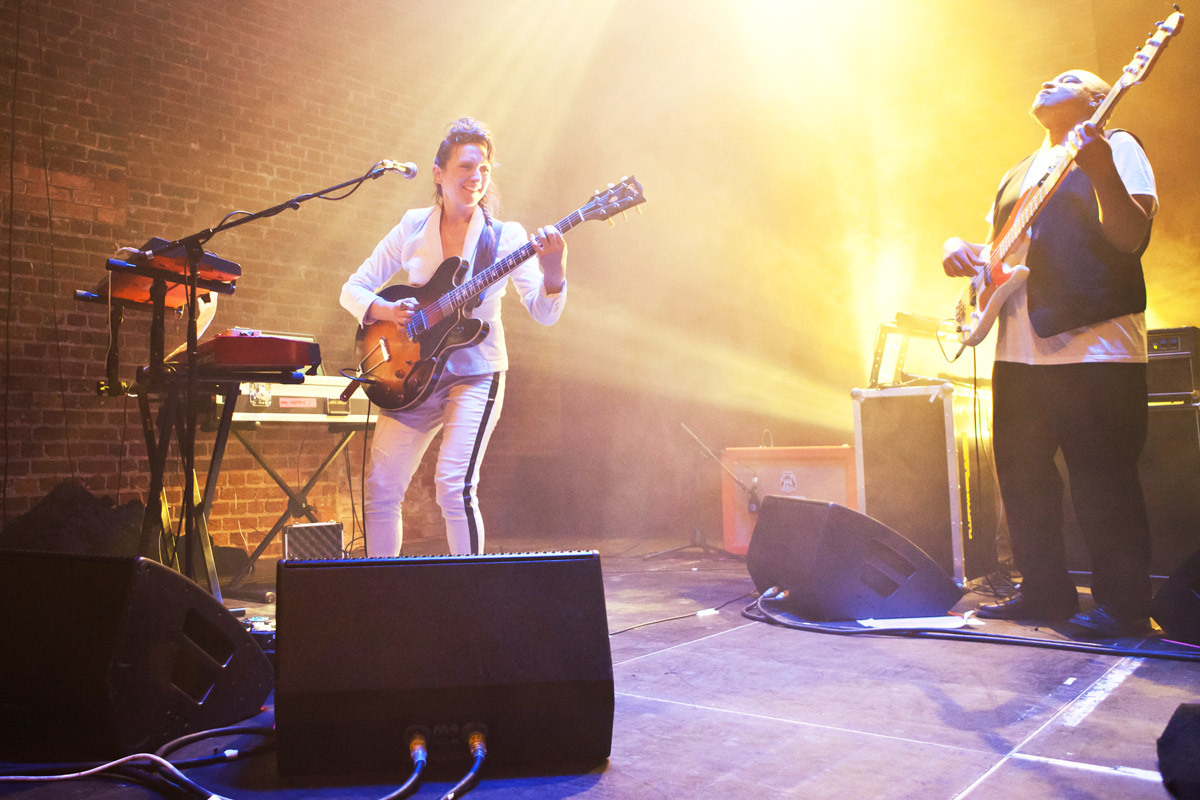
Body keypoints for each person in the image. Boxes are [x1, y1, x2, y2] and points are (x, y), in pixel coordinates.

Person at [942, 69, 1158, 638]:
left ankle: (1125, 604)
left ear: (1097, 98)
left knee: (1101, 480)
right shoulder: (1016, 174)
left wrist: (1101, 169)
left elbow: (1130, 237)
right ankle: (1044, 590)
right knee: (1021, 476)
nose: (1045, 80)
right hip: (1018, 353)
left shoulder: (1118, 145)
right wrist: (961, 250)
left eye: (1067, 79)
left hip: (1094, 346)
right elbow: (1001, 253)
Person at [340, 118, 567, 556]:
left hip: (475, 373)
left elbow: (543, 312)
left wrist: (554, 271)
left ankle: (472, 603)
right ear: (438, 174)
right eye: (466, 167)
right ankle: (383, 598)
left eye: (484, 169)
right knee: (381, 488)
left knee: (453, 487)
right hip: (411, 374)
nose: (476, 177)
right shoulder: (411, 226)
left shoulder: (507, 238)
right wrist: (386, 310)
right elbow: (353, 287)